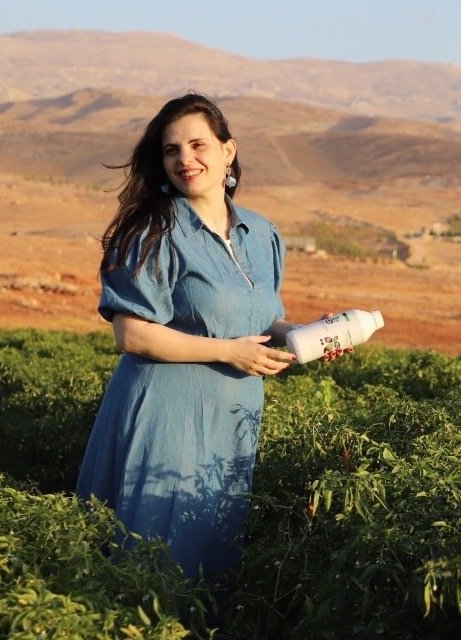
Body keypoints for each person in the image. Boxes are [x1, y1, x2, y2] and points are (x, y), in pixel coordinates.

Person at [76, 93, 328, 581]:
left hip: (231, 414)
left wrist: (309, 334)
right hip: (166, 413)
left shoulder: (262, 232)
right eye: (172, 150)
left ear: (227, 151)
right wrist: (226, 351)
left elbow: (264, 317)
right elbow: (130, 334)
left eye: (197, 145)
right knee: (152, 554)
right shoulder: (154, 230)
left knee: (212, 550)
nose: (185, 159)